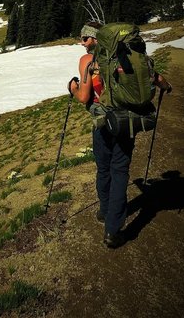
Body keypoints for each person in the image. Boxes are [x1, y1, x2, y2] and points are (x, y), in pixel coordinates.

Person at [68, 21, 172, 248]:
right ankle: (113, 230)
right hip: (128, 122)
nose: (82, 43)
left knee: (104, 168)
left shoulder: (88, 62)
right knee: (120, 170)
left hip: (103, 123)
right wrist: (166, 87)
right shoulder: (132, 57)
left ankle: (105, 212)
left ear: (96, 39)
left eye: (85, 39)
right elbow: (158, 79)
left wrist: (73, 88)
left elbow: (84, 98)